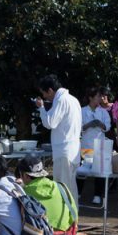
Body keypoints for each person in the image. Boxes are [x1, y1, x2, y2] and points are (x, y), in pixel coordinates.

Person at [17, 155, 97, 235]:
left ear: (26, 176)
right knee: (70, 225)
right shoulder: (60, 187)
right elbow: (74, 215)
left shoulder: (24, 194)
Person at [36, 75, 82, 205]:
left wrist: (41, 108)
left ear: (50, 90)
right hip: (72, 150)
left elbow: (50, 123)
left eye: (44, 93)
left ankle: (68, 221)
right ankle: (73, 220)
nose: (44, 97)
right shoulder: (73, 99)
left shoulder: (61, 100)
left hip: (64, 151)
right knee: (70, 187)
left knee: (63, 188)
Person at [80, 86, 113, 206]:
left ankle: (98, 195)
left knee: (100, 171)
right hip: (86, 145)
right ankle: (78, 194)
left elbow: (108, 127)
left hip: (100, 146)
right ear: (91, 97)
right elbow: (78, 127)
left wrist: (101, 124)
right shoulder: (82, 111)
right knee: (83, 171)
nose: (101, 98)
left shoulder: (103, 112)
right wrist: (89, 124)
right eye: (98, 96)